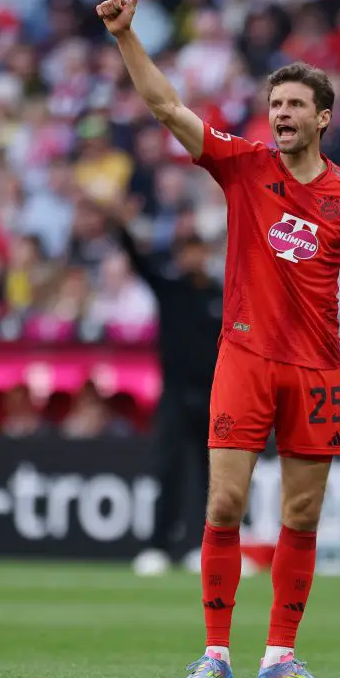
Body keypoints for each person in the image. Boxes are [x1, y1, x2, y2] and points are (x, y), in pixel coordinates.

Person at [96, 0, 340, 678]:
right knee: (224, 505)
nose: (281, 115)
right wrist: (127, 38)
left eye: (295, 106)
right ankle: (215, 654)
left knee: (301, 514)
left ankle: (280, 657)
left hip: (315, 369)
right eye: (276, 105)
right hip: (243, 358)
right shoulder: (243, 165)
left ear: (323, 118)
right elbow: (166, 108)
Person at [112, 208, 223, 577]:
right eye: (186, 251)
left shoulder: (220, 295)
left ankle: (208, 548)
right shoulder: (170, 289)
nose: (193, 257)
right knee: (168, 472)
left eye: (198, 250)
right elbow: (139, 261)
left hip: (214, 398)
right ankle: (159, 546)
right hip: (175, 396)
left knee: (216, 478)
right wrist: (121, 222)